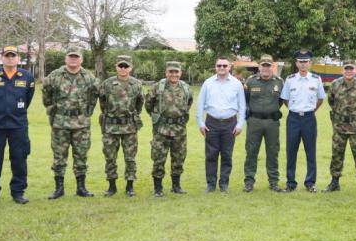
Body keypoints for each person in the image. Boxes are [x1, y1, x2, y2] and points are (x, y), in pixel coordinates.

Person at [0, 45, 35, 207]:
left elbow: (28, 100)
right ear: (1, 58)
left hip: (18, 125)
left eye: (13, 56)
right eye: (7, 55)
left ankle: (18, 192)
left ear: (18, 58)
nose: (10, 58)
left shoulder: (26, 77)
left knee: (19, 158)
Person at [43, 46, 99, 199]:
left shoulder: (89, 77)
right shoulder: (55, 75)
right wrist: (53, 109)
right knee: (59, 156)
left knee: (81, 155)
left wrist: (87, 112)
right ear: (66, 58)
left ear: (81, 59)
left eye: (76, 57)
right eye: (71, 56)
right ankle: (58, 189)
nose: (73, 59)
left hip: (81, 123)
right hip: (60, 122)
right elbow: (46, 95)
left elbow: (94, 96)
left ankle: (81, 188)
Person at [323, 60, 356, 194]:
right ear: (342, 70)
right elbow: (331, 101)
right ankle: (334, 182)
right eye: (346, 69)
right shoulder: (335, 85)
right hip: (339, 126)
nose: (349, 71)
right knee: (337, 154)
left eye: (351, 69)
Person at [197, 56, 246, 193]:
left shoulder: (237, 84)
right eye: (219, 66)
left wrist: (240, 124)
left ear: (230, 67)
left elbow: (242, 106)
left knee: (226, 155)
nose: (222, 68)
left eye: (225, 66)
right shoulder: (208, 83)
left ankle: (224, 184)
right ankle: (211, 184)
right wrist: (200, 123)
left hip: (230, 123)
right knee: (211, 155)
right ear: (215, 67)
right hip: (211, 123)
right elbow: (200, 104)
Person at [145, 61, 193, 197]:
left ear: (180, 73)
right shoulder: (157, 87)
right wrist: (158, 118)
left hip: (179, 129)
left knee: (179, 158)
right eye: (170, 72)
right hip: (161, 129)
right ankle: (158, 188)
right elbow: (148, 104)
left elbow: (189, 102)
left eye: (176, 72)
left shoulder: (186, 88)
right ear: (166, 72)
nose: (173, 74)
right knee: (159, 158)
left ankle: (176, 186)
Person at [98, 55, 144, 197]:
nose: (123, 69)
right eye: (120, 66)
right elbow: (103, 103)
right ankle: (112, 187)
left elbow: (139, 103)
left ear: (131, 67)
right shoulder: (107, 83)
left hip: (129, 127)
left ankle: (130, 186)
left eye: (126, 66)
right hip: (111, 127)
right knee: (110, 157)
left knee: (130, 158)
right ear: (116, 67)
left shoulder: (136, 84)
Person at [280, 50, 325, 192]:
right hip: (293, 118)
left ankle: (310, 182)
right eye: (300, 61)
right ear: (296, 63)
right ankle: (290, 183)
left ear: (310, 63)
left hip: (309, 118)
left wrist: (310, 110)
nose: (303, 64)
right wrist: (294, 110)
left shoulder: (316, 79)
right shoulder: (290, 79)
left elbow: (320, 98)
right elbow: (285, 99)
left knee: (310, 151)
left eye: (306, 61)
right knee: (291, 151)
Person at [242, 54, 285, 193]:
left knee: (273, 152)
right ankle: (249, 181)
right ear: (259, 66)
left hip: (272, 122)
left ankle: (273, 182)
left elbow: (281, 101)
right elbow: (245, 100)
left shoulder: (279, 82)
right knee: (251, 151)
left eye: (268, 65)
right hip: (254, 121)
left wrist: (271, 111)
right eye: (263, 65)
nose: (266, 68)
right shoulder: (251, 81)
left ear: (272, 66)